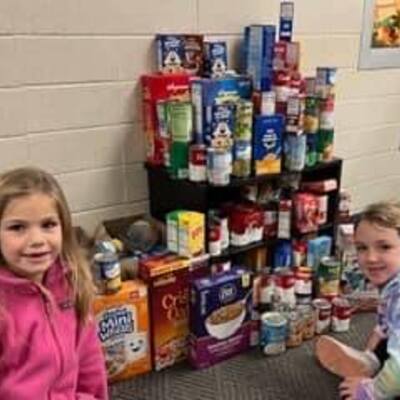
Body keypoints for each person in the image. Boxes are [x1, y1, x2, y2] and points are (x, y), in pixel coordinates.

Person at [0, 167, 108, 399]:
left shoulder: (71, 283)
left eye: (48, 225)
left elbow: (89, 358)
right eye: (17, 227)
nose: (37, 240)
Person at [315, 201, 400, 399]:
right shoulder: (393, 285)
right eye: (362, 248)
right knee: (388, 339)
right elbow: (384, 326)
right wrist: (369, 355)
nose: (370, 258)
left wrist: (369, 393)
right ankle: (371, 362)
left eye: (384, 247)